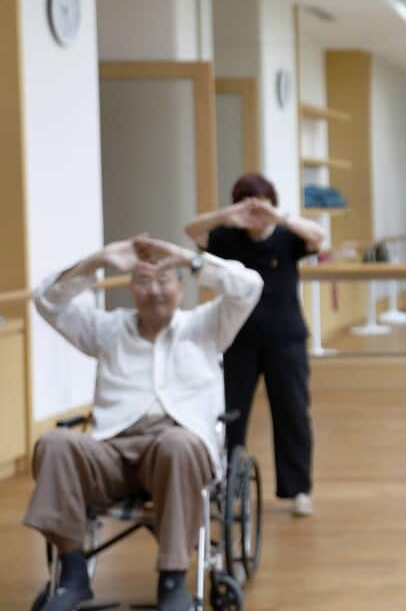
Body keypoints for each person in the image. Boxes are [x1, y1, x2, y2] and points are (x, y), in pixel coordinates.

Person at [25, 236, 262, 611]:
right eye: (144, 282)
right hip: (113, 449)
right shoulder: (107, 330)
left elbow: (250, 286)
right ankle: (72, 573)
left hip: (178, 445)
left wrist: (187, 257)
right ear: (131, 290)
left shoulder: (207, 326)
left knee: (177, 444)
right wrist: (97, 260)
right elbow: (46, 300)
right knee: (55, 444)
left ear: (181, 287)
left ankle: (172, 580)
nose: (155, 291)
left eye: (165, 280)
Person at [184, 173, 326, 518]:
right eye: (247, 203)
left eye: (260, 203)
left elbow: (319, 238)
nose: (255, 212)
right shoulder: (225, 237)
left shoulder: (287, 237)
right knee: (231, 415)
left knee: (292, 413)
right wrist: (227, 215)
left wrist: (278, 217)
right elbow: (191, 231)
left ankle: (299, 491)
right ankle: (227, 488)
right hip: (237, 340)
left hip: (286, 338)